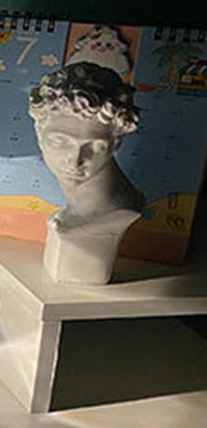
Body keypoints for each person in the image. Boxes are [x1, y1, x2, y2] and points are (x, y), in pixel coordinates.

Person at [28, 62, 144, 284]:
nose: (75, 160)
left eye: (94, 146)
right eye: (60, 141)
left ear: (116, 143)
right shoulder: (72, 212)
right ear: (39, 134)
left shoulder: (117, 212)